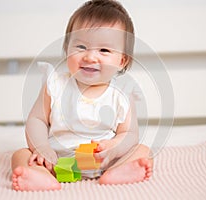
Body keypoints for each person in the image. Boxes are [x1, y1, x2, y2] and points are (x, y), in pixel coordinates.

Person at [11, 0, 153, 191]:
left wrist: (114, 148)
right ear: (67, 48)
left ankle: (117, 172)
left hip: (104, 161)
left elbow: (129, 134)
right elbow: (37, 120)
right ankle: (42, 176)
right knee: (20, 155)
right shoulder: (55, 85)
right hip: (56, 160)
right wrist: (42, 149)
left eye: (104, 50)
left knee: (142, 151)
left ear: (121, 60)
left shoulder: (121, 95)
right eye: (81, 47)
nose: (90, 57)